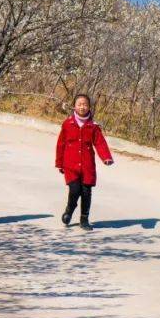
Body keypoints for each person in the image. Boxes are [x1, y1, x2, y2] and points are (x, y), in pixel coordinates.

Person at [55, 94, 114, 230]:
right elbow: (60, 144)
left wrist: (106, 157)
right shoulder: (67, 124)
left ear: (89, 107)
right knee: (75, 190)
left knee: (86, 192)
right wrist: (59, 163)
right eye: (79, 104)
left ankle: (84, 219)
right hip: (70, 165)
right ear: (74, 106)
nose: (82, 107)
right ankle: (69, 210)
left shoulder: (93, 127)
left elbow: (100, 143)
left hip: (87, 166)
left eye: (85, 104)